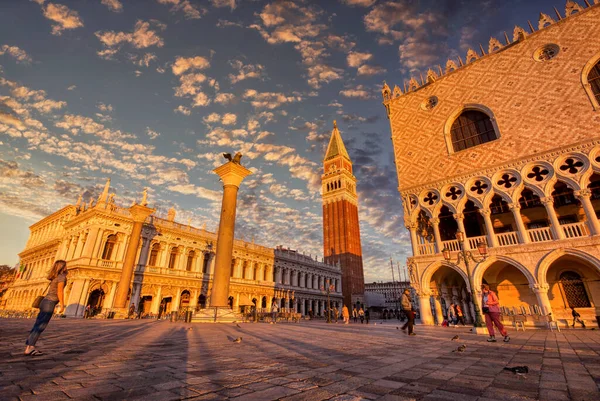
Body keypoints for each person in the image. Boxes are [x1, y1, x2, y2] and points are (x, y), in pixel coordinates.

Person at [25, 260, 67, 356]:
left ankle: (29, 346)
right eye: (65, 266)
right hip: (49, 303)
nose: (66, 268)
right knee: (41, 325)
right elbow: (60, 292)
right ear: (62, 267)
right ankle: (30, 347)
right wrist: (62, 305)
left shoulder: (54, 276)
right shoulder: (61, 277)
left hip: (45, 302)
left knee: (38, 324)